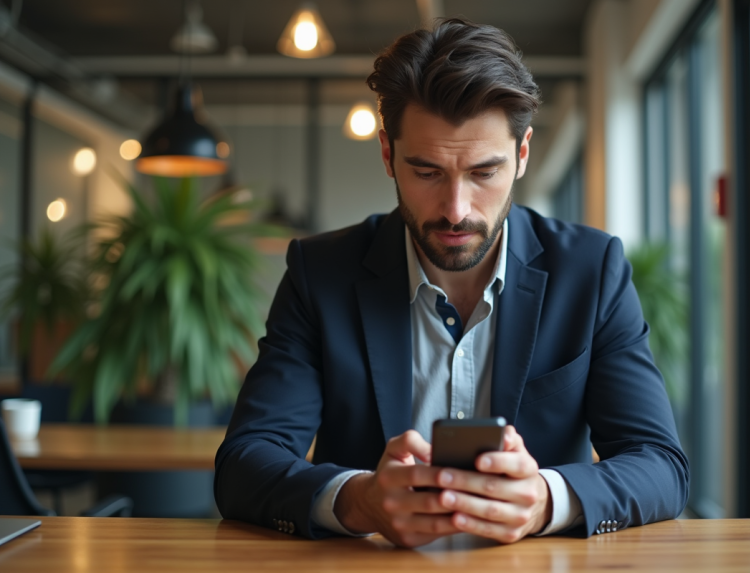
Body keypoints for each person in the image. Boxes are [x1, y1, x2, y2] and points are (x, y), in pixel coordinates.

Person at [215, 18, 689, 548]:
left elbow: (660, 465)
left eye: (484, 173)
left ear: (522, 155)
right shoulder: (320, 274)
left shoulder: (592, 271)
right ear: (388, 154)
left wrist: (546, 500)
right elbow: (243, 463)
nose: (456, 210)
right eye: (427, 172)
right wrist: (358, 500)